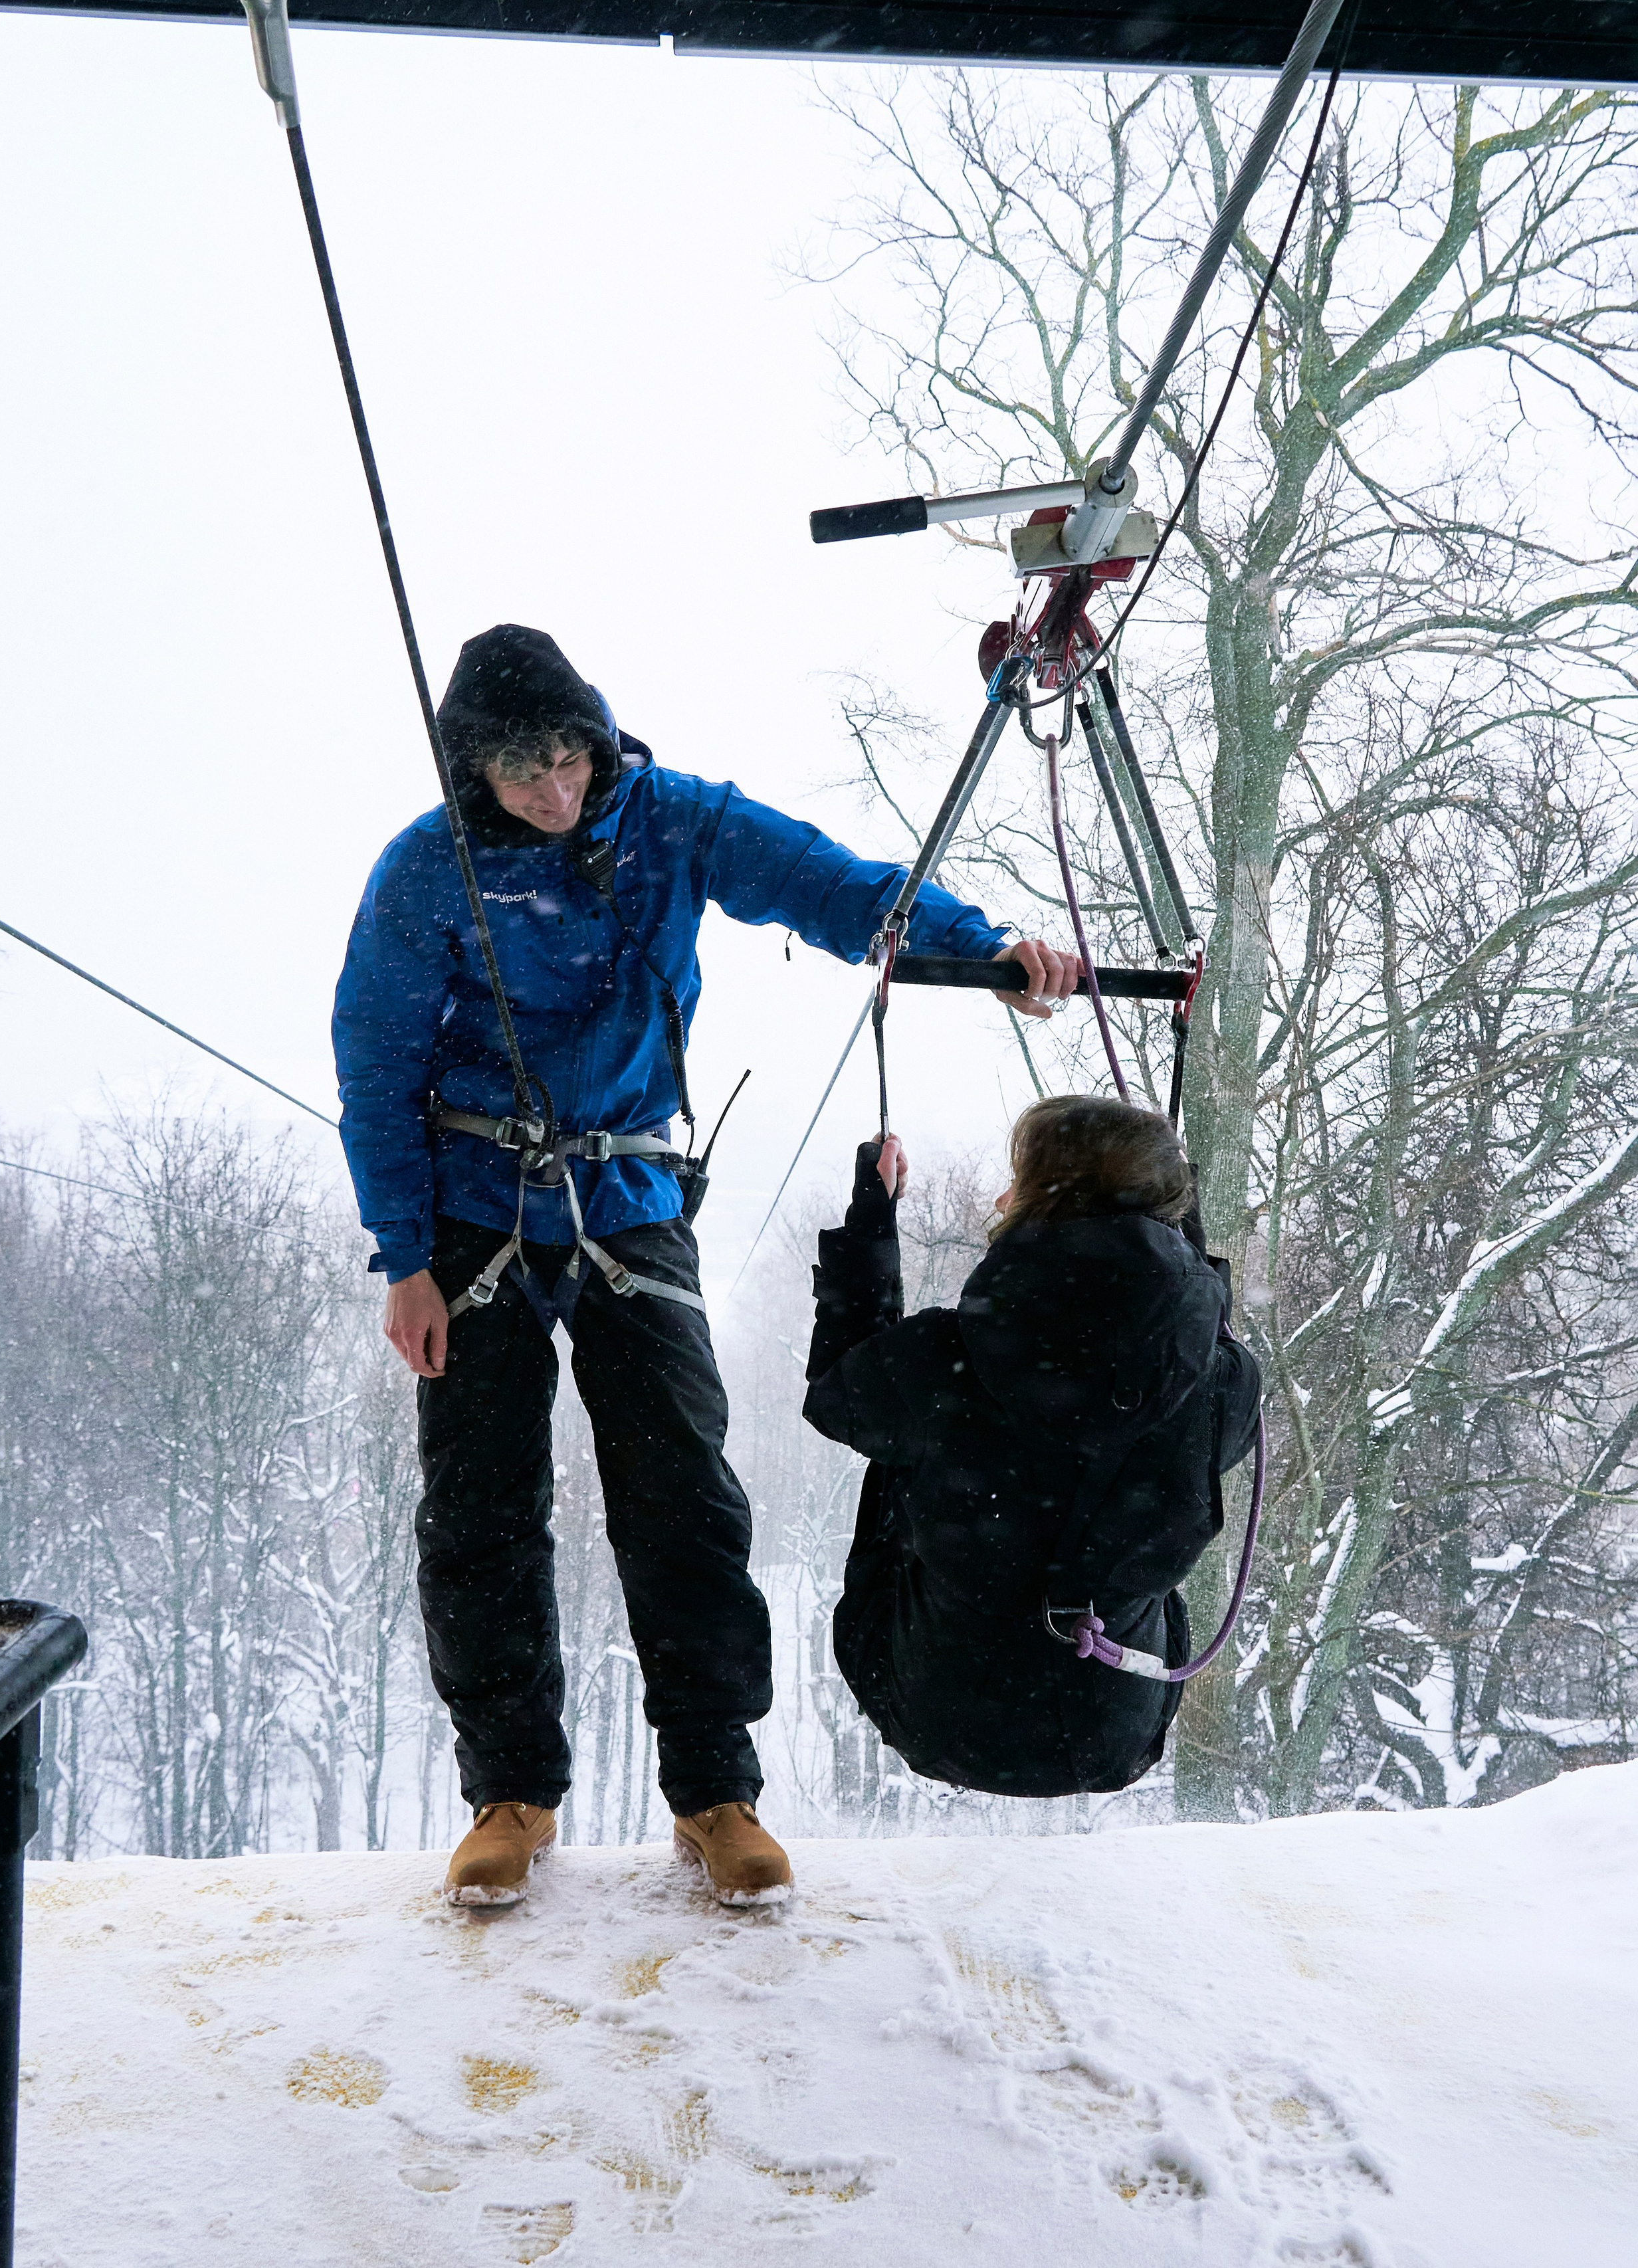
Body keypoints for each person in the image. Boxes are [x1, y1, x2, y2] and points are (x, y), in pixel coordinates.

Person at [332, 623, 1078, 1905]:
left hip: (627, 1191)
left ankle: (714, 1786)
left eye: (568, 755)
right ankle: (511, 1790)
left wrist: (977, 947)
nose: (557, 791)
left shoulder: (671, 819)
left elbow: (834, 887)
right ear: (476, 774)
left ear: (594, 733)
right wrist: (404, 1257)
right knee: (480, 1503)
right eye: (523, 773)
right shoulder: (426, 874)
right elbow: (375, 1065)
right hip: (470, 1208)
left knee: (682, 1486)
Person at [802, 1096, 1262, 1797]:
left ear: (1041, 1199)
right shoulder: (1223, 1382)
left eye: (1017, 1178)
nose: (997, 1195)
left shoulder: (942, 1358)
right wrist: (1176, 1241)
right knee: (1164, 1473)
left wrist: (872, 1219)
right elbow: (1189, 1343)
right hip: (1114, 1727)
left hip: (938, 1714)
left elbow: (835, 1396)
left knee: (899, 1443)